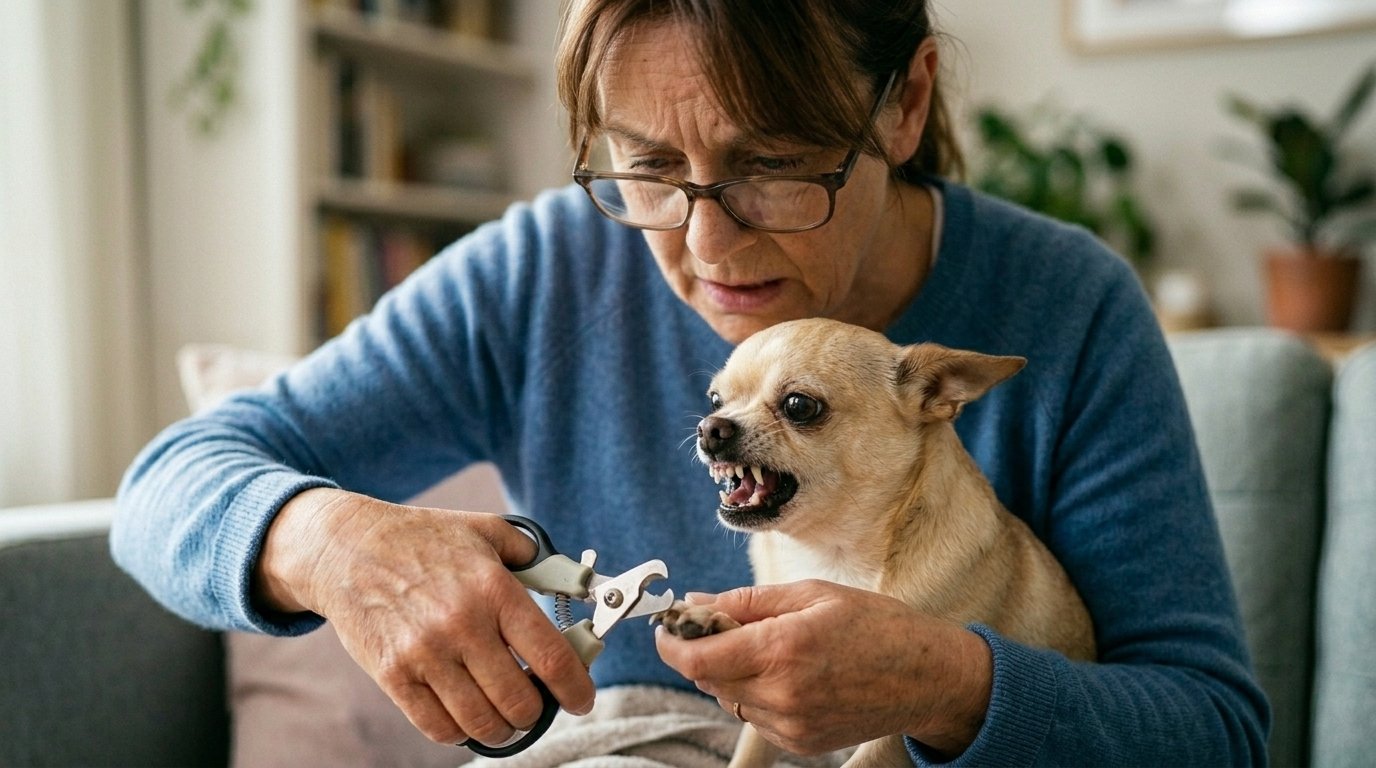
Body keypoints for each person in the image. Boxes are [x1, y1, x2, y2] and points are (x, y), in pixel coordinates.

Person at [113, 0, 1270, 764]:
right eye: (650, 169)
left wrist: (946, 682)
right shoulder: (540, 272)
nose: (707, 250)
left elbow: (1212, 730)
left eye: (771, 165)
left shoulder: (1064, 305)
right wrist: (328, 544)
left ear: (905, 102)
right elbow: (169, 482)